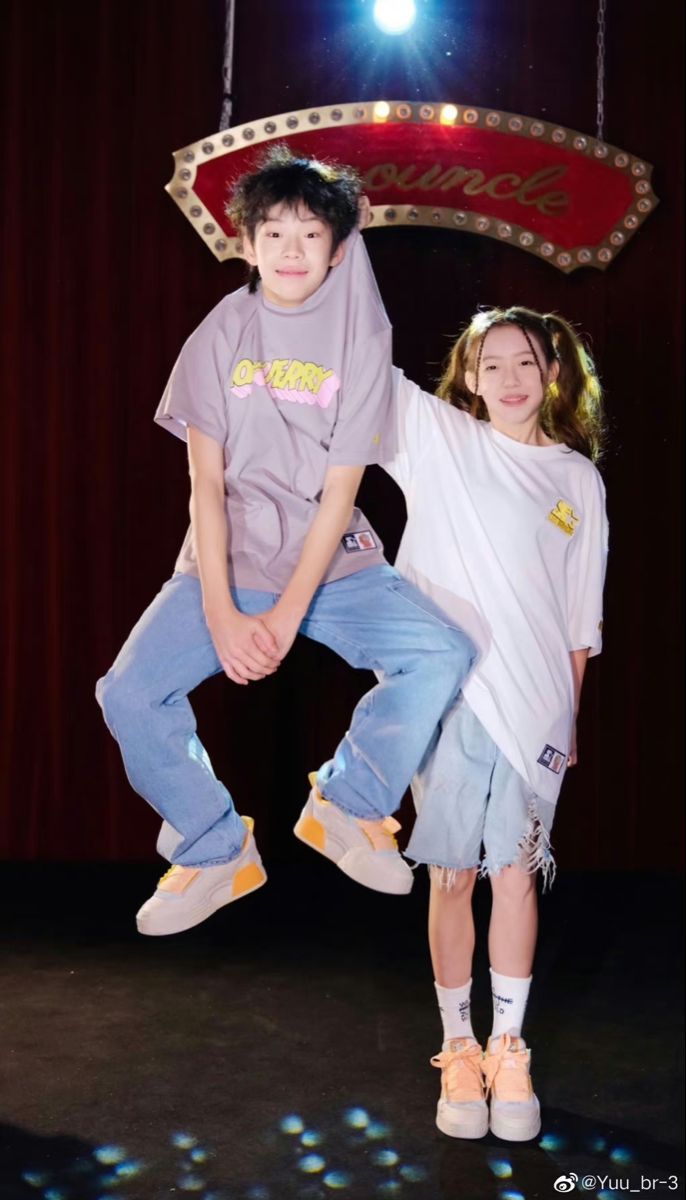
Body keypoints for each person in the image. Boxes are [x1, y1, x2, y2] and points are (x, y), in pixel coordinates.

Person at [95, 146, 474, 937]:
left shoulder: (361, 339)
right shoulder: (221, 332)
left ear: (339, 248)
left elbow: (343, 492)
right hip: (227, 562)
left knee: (439, 652)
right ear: (246, 244)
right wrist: (228, 614)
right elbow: (204, 485)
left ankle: (348, 802)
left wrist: (282, 616)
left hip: (332, 564)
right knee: (125, 693)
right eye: (274, 233)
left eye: (311, 234)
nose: (292, 250)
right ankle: (212, 842)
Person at [383, 307, 608, 1142]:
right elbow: (369, 365)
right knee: (451, 876)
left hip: (533, 703)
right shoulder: (440, 441)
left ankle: (510, 1046)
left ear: (553, 372)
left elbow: (581, 618)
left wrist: (568, 714)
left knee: (514, 873)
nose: (511, 379)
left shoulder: (576, 481)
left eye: (527, 362)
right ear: (468, 379)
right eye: (493, 365)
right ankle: (460, 1048)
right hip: (444, 698)